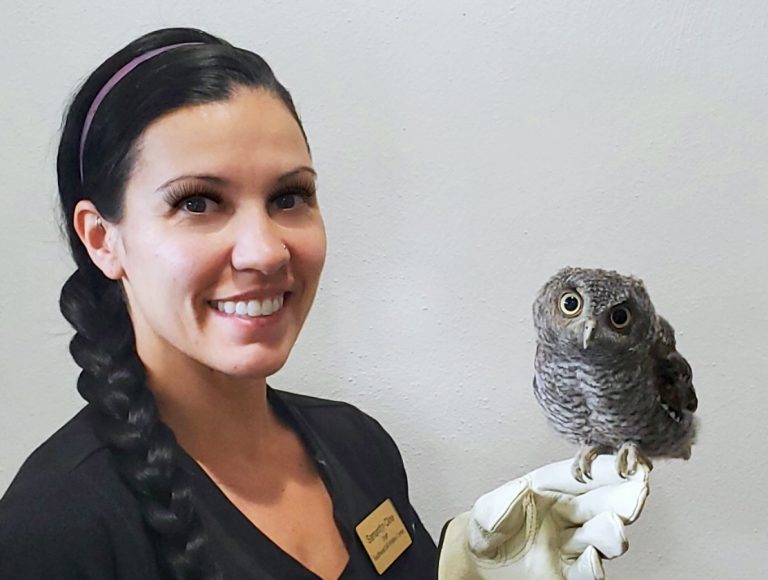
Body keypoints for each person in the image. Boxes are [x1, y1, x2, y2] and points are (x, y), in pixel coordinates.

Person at [0, 27, 649, 579]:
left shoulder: (358, 445)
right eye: (198, 201)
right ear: (102, 240)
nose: (265, 251)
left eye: (289, 197)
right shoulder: (56, 530)